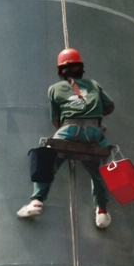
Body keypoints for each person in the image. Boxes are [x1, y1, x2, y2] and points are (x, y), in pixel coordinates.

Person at [18, 48, 114, 229]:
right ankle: (102, 211)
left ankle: (36, 201)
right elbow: (109, 107)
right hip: (94, 133)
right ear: (81, 68)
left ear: (60, 71)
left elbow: (55, 121)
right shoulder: (93, 84)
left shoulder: (54, 89)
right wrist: (93, 118)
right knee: (99, 170)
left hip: (68, 130)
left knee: (47, 160)